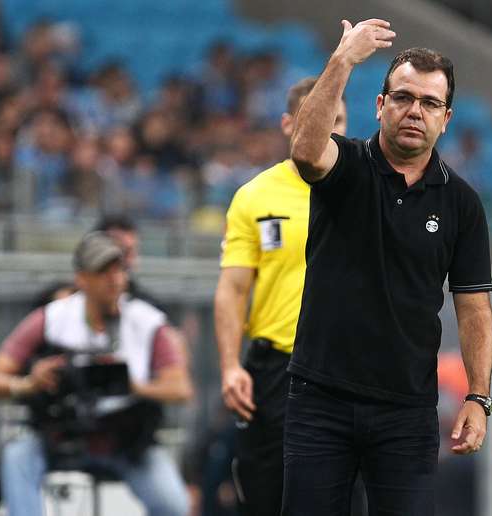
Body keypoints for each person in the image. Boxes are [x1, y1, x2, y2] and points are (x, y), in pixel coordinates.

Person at [284, 19, 492, 514]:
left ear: (446, 118)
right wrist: (343, 60)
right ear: (380, 106)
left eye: (429, 103)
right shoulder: (345, 165)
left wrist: (478, 397)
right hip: (321, 398)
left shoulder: (463, 203)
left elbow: (474, 308)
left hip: (407, 411)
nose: (414, 112)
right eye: (403, 98)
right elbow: (305, 151)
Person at [0, 232, 193, 516]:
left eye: (119, 270)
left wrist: (132, 386)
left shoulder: (147, 322)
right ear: (81, 279)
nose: (114, 279)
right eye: (103, 272)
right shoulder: (51, 319)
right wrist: (30, 383)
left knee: (174, 504)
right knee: (18, 456)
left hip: (126, 442)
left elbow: (181, 389)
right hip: (61, 437)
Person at [214, 76, 347, 516]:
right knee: (266, 497)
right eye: (318, 116)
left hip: (347, 369)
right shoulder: (254, 196)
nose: (329, 127)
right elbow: (233, 288)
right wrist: (231, 365)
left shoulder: (369, 192)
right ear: (290, 124)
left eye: (339, 118)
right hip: (276, 370)